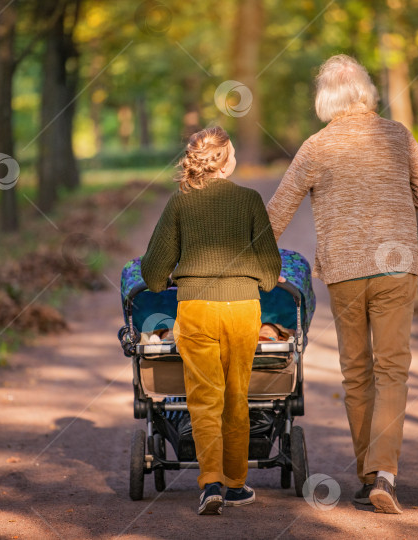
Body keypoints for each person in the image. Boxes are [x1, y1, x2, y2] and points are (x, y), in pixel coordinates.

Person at [266, 55, 418, 514]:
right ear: (366, 91)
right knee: (392, 371)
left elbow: (276, 215)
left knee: (357, 373)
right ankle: (384, 474)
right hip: (396, 267)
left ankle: (369, 476)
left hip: (344, 273)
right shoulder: (397, 135)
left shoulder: (315, 146)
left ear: (325, 99)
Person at [141, 126, 281, 516]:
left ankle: (211, 484)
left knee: (203, 400)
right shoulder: (250, 200)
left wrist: (175, 273)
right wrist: (250, 271)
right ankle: (236, 485)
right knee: (237, 397)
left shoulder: (180, 204)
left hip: (197, 309)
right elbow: (271, 273)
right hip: (242, 309)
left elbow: (153, 275)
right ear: (224, 160)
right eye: (232, 149)